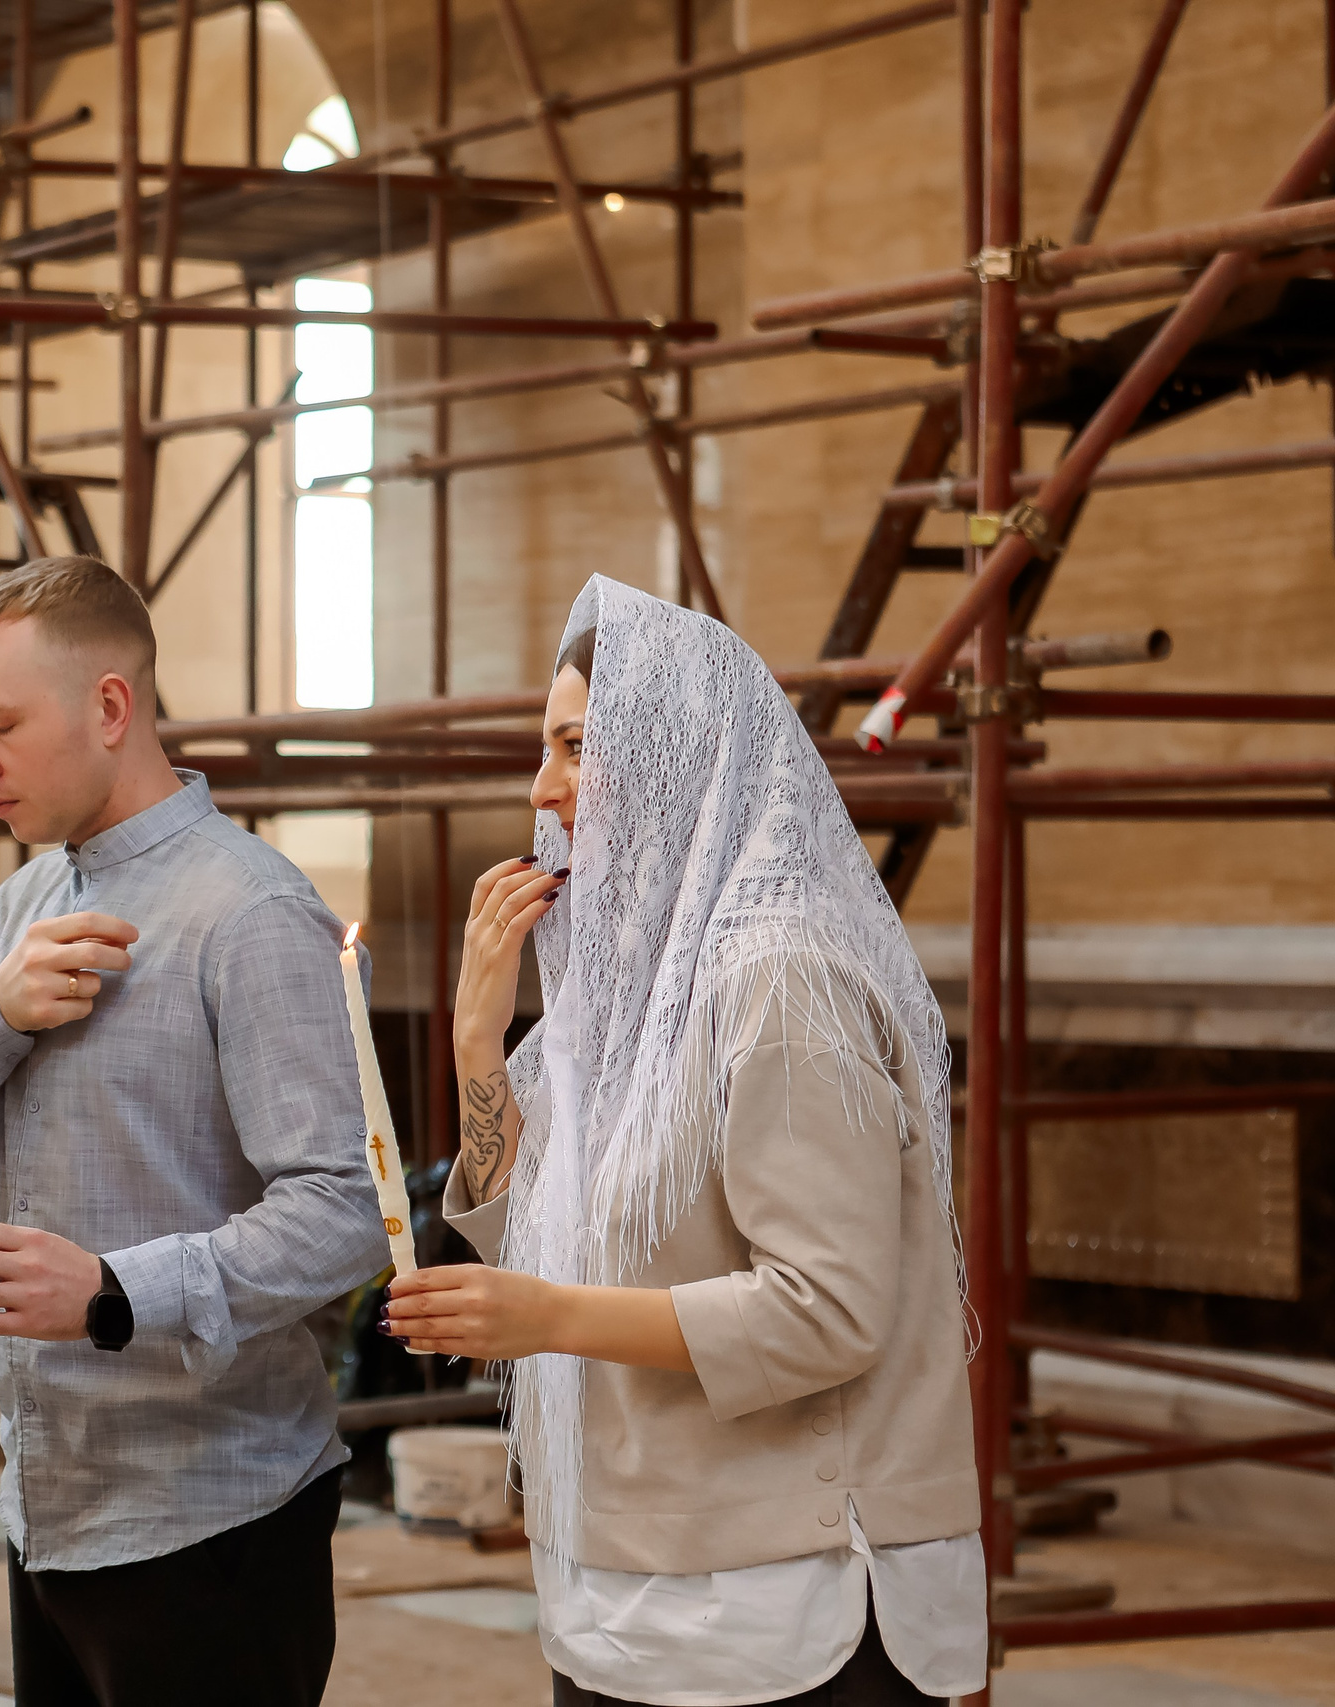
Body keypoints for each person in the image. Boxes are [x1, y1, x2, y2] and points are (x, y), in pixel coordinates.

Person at [383, 575, 985, 1705]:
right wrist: (477, 1035)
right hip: (624, 1585)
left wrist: (548, 1317)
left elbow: (827, 1310)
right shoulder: (631, 1000)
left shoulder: (779, 982)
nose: (542, 788)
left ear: (676, 754)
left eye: (574, 744)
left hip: (784, 1602)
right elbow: (532, 1234)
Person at [0, 555, 391, 1707]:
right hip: (48, 1503)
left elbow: (349, 1212)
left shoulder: (251, 912)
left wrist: (109, 1289)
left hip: (214, 1515)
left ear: (109, 707)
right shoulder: (22, 903)